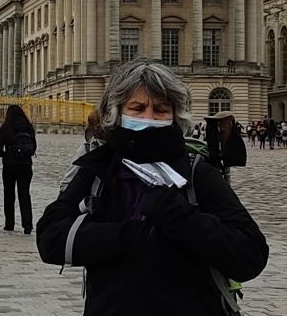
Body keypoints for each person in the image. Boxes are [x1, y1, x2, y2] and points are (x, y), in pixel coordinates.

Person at [36, 60, 268, 315]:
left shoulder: (197, 172)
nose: (149, 117)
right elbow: (50, 238)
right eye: (138, 108)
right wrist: (129, 236)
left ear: (174, 116)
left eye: (160, 109)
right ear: (117, 113)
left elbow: (250, 255)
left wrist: (181, 218)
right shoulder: (99, 169)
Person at [0, 105, 36, 234]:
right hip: (26, 165)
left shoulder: (6, 127)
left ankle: (9, 223)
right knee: (25, 194)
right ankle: (27, 225)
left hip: (9, 164)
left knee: (9, 194)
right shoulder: (29, 127)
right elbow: (33, 147)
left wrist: (6, 155)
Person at [203, 111, 248, 178]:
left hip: (224, 155)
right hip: (220, 155)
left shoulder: (227, 129)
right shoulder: (224, 128)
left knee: (226, 170)